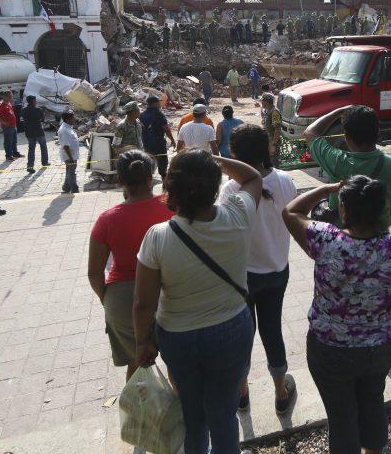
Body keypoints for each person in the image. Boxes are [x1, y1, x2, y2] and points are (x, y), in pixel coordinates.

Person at [282, 176, 391, 454]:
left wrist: (328, 188)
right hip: (378, 348)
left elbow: (291, 211)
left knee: (341, 415)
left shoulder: (325, 239)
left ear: (344, 210)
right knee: (372, 401)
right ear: (382, 209)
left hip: (329, 348)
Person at [134, 151, 262, 454]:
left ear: (170, 187)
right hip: (231, 329)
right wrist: (214, 158)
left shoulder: (158, 237)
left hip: (178, 337)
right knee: (224, 412)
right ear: (216, 185)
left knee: (192, 413)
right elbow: (253, 176)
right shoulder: (238, 214)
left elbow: (143, 302)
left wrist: (142, 343)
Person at [219, 125, 298, 414]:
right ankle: (280, 393)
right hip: (277, 270)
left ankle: (242, 393)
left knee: (244, 334)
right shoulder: (286, 181)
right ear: (266, 150)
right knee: (272, 329)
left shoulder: (230, 189)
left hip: (243, 275)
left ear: (235, 154)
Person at [88, 151, 173, 383]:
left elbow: (94, 273)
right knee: (177, 363)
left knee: (138, 367)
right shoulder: (173, 205)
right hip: (169, 293)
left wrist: (108, 298)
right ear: (151, 177)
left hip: (123, 301)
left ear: (119, 181)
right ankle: (186, 414)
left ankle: (139, 418)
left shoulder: (107, 220)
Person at [304, 105, 391, 229]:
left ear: (346, 136)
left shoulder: (338, 162)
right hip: (379, 239)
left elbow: (310, 132)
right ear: (377, 132)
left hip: (342, 238)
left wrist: (339, 111)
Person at [141, 95, 175, 180]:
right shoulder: (159, 114)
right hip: (158, 142)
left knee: (148, 160)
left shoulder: (142, 115)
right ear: (155, 104)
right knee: (162, 161)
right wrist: (172, 140)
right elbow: (166, 128)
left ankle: (148, 178)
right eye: (159, 102)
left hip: (146, 142)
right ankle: (164, 178)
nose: (160, 104)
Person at [21, 95, 49, 173]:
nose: (36, 102)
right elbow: (43, 120)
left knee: (31, 149)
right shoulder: (38, 110)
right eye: (35, 100)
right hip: (39, 131)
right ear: (33, 101)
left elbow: (23, 119)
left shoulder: (23, 110)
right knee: (43, 147)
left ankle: (30, 165)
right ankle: (45, 162)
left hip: (29, 132)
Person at [0, 90, 22, 161]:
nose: (11, 98)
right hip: (7, 126)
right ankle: (8, 155)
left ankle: (15, 152)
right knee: (8, 141)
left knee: (14, 140)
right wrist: (3, 122)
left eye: (11, 96)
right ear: (4, 97)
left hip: (13, 125)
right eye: (9, 97)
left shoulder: (8, 102)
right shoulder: (1, 104)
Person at [58, 110, 81, 194]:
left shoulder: (68, 127)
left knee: (69, 171)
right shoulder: (64, 130)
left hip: (72, 154)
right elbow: (66, 146)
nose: (74, 120)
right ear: (68, 119)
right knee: (72, 173)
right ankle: (74, 189)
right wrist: (70, 158)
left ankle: (66, 187)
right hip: (69, 155)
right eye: (72, 118)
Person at [260, 92, 282, 165]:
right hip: (268, 141)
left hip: (272, 142)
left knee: (273, 164)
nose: (261, 102)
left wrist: (273, 144)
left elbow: (277, 129)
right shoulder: (268, 111)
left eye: (262, 101)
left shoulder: (274, 112)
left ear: (266, 101)